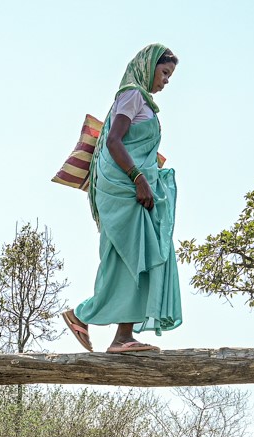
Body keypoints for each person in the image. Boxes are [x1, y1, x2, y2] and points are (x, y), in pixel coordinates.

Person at [63, 44, 182, 354]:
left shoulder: (143, 102)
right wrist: (139, 178)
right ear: (148, 66)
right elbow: (115, 141)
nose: (166, 81)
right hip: (123, 187)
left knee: (130, 258)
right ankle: (85, 315)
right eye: (165, 73)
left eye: (170, 76)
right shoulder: (132, 95)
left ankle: (120, 337)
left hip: (132, 188)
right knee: (129, 257)